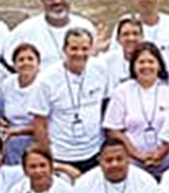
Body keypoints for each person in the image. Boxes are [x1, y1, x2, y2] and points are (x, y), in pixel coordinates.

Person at [31, 28, 112, 172]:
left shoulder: (101, 69)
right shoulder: (46, 79)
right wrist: (48, 156)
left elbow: (106, 104)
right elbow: (39, 122)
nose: (79, 54)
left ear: (91, 49)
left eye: (84, 49)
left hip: (95, 151)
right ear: (64, 50)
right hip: (61, 154)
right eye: (74, 48)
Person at [103, 42, 169, 172]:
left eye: (151, 62)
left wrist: (162, 153)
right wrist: (137, 154)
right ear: (133, 66)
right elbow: (113, 129)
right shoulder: (122, 91)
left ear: (159, 65)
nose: (146, 66)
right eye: (141, 62)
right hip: (134, 164)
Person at [5, 0, 96, 67]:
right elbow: (9, 61)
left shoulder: (85, 26)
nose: (57, 1)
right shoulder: (25, 30)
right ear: (42, 1)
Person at [0, 43, 44, 165]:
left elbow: (49, 123)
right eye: (21, 60)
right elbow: (1, 112)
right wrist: (1, 123)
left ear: (38, 63)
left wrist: (18, 131)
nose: (25, 63)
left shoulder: (45, 85)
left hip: (37, 144)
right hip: (11, 144)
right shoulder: (7, 84)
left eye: (30, 59)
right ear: (14, 65)